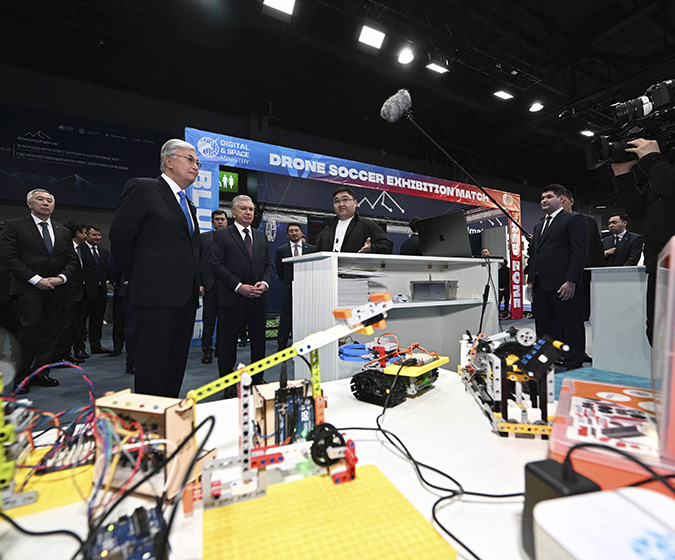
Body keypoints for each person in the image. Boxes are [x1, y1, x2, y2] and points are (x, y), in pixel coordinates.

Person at [109, 139, 201, 397]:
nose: (196, 166)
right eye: (190, 160)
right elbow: (120, 237)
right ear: (168, 161)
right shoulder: (144, 188)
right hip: (153, 295)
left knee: (175, 363)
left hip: (185, 297)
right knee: (152, 365)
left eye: (198, 162)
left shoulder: (189, 205)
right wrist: (138, 275)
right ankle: (150, 417)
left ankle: (169, 411)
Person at [0, 189, 78, 393]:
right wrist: (36, 280)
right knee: (30, 330)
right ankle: (22, 376)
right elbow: (9, 257)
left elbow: (71, 260)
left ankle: (42, 372)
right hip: (28, 287)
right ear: (29, 204)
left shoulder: (63, 231)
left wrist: (61, 278)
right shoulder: (15, 225)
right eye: (40, 199)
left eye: (49, 200)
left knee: (51, 331)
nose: (45, 203)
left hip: (56, 288)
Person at [611, 137, 675, 344]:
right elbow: (637, 210)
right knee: (658, 335)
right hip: (660, 266)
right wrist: (622, 173)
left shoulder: (663, 173)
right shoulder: (661, 175)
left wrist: (652, 158)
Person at [212, 195, 273, 389]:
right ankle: (227, 384)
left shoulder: (261, 236)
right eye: (243, 208)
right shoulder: (221, 235)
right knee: (227, 343)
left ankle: (258, 378)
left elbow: (269, 264)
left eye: (251, 209)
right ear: (233, 212)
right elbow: (217, 265)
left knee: (259, 342)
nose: (248, 212)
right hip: (232, 299)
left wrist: (265, 283)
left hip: (258, 299)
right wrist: (239, 286)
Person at [527, 184, 589, 370]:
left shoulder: (573, 219)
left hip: (564, 283)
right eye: (542, 198)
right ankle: (546, 362)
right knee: (543, 326)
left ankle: (573, 364)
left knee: (571, 325)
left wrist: (571, 281)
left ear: (561, 199)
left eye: (549, 197)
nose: (544, 200)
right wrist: (531, 280)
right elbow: (535, 255)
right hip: (540, 284)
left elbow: (579, 252)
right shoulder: (539, 226)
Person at [314, 187, 393, 253]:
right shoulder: (326, 230)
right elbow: (316, 253)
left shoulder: (367, 225)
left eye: (345, 200)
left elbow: (387, 245)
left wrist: (371, 247)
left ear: (355, 203)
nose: (341, 204)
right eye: (337, 201)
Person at [275, 223, 316, 350]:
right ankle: (281, 347)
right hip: (288, 288)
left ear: (301, 233)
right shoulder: (281, 250)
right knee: (286, 317)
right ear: (287, 235)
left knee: (306, 316)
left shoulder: (311, 249)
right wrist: (288, 281)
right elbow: (279, 270)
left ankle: (304, 343)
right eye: (291, 231)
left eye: (296, 230)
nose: (294, 233)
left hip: (306, 288)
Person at [53, 221, 87, 365]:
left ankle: (66, 353)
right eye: (85, 232)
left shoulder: (82, 249)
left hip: (79, 294)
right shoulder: (63, 249)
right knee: (64, 326)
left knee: (73, 325)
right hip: (66, 294)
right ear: (77, 233)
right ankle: (59, 355)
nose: (86, 235)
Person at [75, 225, 110, 355]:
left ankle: (96, 345)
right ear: (87, 236)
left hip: (101, 291)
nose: (97, 237)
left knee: (97, 320)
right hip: (85, 291)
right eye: (94, 235)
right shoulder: (80, 249)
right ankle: (79, 348)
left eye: (99, 235)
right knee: (80, 322)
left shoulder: (104, 251)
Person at [199, 209, 228, 364]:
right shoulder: (203, 238)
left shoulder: (233, 239)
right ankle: (207, 351)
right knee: (208, 321)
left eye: (222, 219)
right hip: (209, 285)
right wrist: (199, 283)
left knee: (225, 322)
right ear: (212, 222)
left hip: (227, 286)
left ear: (227, 221)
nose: (220, 221)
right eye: (217, 219)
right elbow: (197, 261)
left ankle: (220, 349)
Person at [107, 251, 137, 375]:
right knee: (130, 327)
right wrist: (118, 282)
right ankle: (132, 362)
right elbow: (112, 266)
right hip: (127, 291)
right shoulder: (124, 246)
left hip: (146, 291)